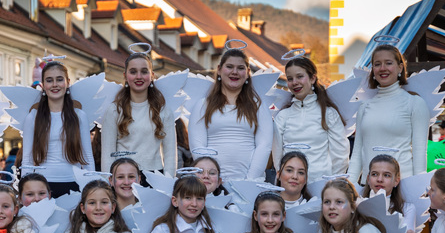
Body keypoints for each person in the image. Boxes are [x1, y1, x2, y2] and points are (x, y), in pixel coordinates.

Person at [348, 45, 429, 185]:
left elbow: (420, 151)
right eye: (377, 64)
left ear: (400, 68)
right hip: (370, 187)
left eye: (389, 63)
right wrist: (349, 186)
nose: (382, 68)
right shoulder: (364, 107)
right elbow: (357, 153)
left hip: (402, 186)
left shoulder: (415, 103)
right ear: (372, 70)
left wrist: (419, 189)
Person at [188, 49, 272, 181]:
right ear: (219, 70)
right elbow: (197, 146)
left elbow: (264, 145)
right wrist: (210, 178)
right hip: (211, 184)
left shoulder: (258, 106)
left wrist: (250, 180)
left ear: (248, 73)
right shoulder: (203, 105)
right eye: (229, 67)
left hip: (249, 181)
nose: (235, 72)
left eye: (240, 68)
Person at [21, 60, 94, 198]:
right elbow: (28, 159)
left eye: (59, 79)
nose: (55, 84)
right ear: (43, 85)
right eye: (49, 80)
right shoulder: (33, 117)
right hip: (42, 188)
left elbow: (87, 157)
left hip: (75, 185)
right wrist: (25, 190)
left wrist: (91, 187)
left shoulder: (79, 116)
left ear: (68, 82)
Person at [101, 51, 176, 177]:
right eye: (133, 71)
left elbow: (170, 155)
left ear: (152, 75)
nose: (139, 76)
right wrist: (109, 183)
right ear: (125, 75)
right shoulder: (114, 110)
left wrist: (168, 184)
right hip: (123, 177)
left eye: (144, 71)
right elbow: (108, 154)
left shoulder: (163, 110)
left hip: (154, 176)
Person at [272, 55, 348, 180]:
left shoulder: (329, 114)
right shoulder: (283, 116)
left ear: (312, 78)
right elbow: (277, 155)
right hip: (291, 187)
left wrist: (332, 184)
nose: (294, 82)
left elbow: (340, 155)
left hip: (322, 186)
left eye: (300, 76)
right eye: (290, 79)